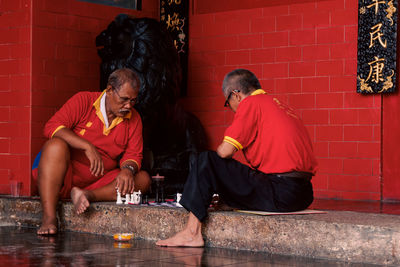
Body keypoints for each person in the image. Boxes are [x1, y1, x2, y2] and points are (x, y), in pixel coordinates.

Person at [156, 69, 317, 247]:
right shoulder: (280, 105)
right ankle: (216, 207)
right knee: (226, 169)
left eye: (228, 103)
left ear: (236, 95)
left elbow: (225, 152)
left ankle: (191, 232)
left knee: (207, 159)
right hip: (303, 194)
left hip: (281, 193)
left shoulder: (251, 103)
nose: (231, 109)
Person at [32, 68, 151, 235]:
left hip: (99, 182)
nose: (128, 106)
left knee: (143, 179)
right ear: (110, 90)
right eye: (124, 99)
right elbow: (51, 127)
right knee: (55, 145)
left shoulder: (134, 118)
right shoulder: (83, 100)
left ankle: (87, 195)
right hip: (61, 175)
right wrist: (87, 146)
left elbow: (134, 155)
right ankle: (49, 218)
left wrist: (127, 170)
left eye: (133, 101)